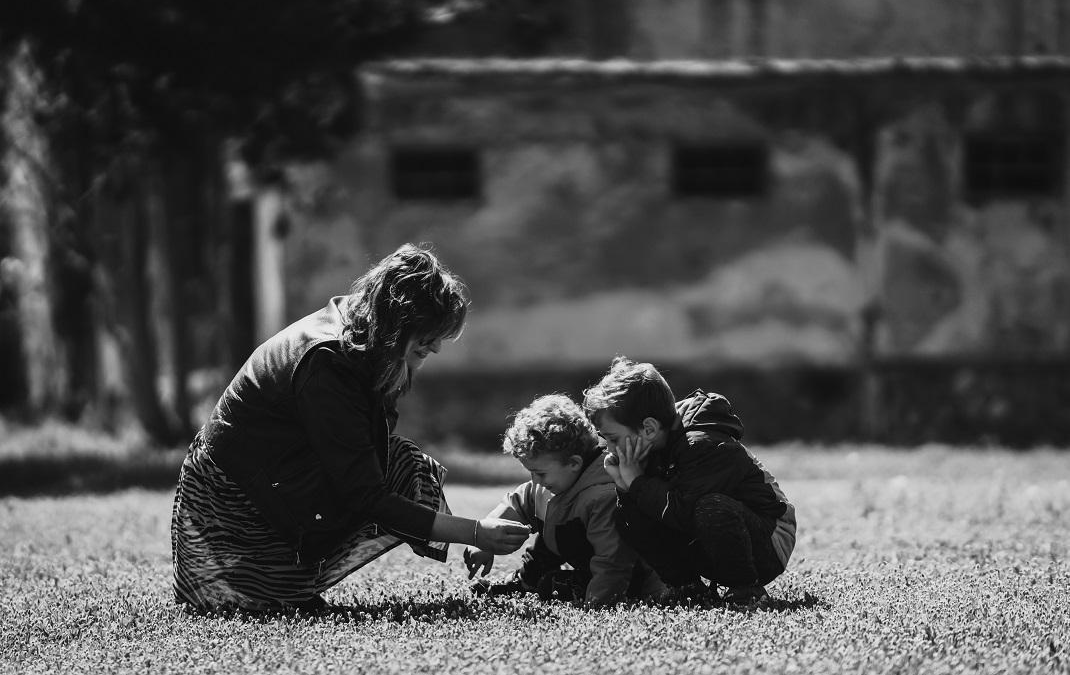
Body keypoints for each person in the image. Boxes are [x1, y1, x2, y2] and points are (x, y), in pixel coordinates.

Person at [171, 244, 530, 611]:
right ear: (399, 321)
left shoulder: (365, 338)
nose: (437, 347)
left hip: (280, 481)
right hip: (230, 506)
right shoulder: (328, 364)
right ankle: (265, 584)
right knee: (268, 600)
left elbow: (367, 456)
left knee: (405, 466)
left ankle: (287, 582)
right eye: (428, 334)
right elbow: (365, 495)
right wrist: (476, 532)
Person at [582, 356, 796, 606]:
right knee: (627, 517)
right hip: (710, 537)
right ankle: (687, 588)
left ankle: (746, 590)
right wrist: (624, 486)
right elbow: (652, 514)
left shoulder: (702, 444)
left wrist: (637, 482)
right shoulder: (651, 445)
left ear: (648, 429)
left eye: (613, 438)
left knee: (710, 507)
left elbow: (684, 511)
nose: (609, 448)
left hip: (769, 541)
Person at [463, 394, 665, 608]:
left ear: (574, 463)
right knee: (546, 540)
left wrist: (598, 604)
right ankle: (524, 583)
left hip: (632, 579)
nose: (535, 481)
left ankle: (562, 588)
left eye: (540, 473)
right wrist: (484, 540)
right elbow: (518, 503)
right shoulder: (553, 482)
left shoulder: (602, 496)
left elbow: (613, 561)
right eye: (531, 473)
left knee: (551, 585)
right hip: (575, 546)